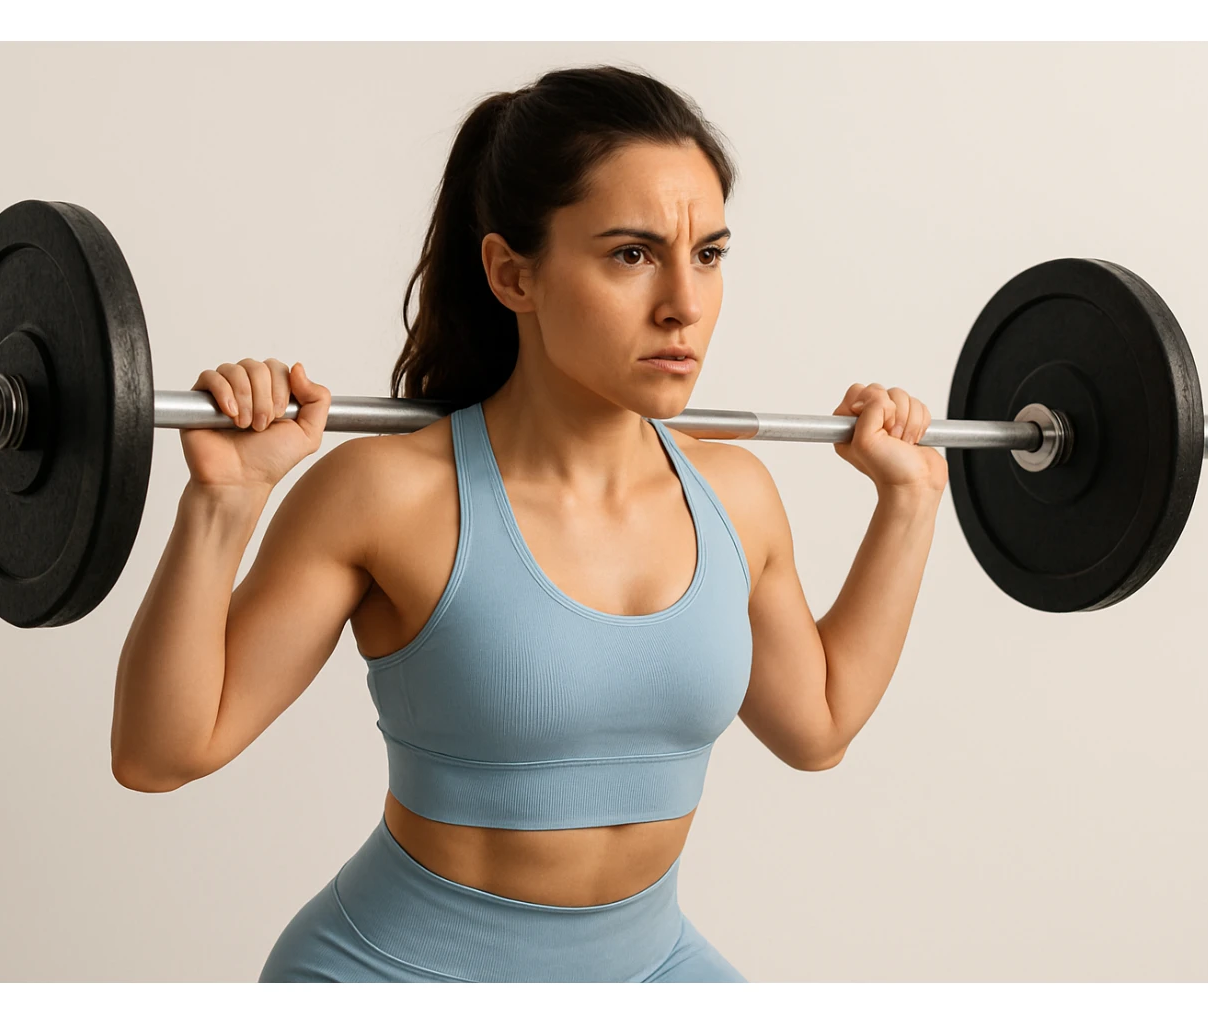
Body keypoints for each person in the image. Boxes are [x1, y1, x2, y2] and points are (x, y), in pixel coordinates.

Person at [110, 64, 946, 983]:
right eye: (631, 254)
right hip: (393, 974)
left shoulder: (735, 496)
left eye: (708, 253)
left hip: (651, 969)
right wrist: (223, 504)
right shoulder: (388, 495)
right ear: (514, 274)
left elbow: (817, 728)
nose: (685, 303)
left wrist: (910, 502)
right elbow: (160, 753)